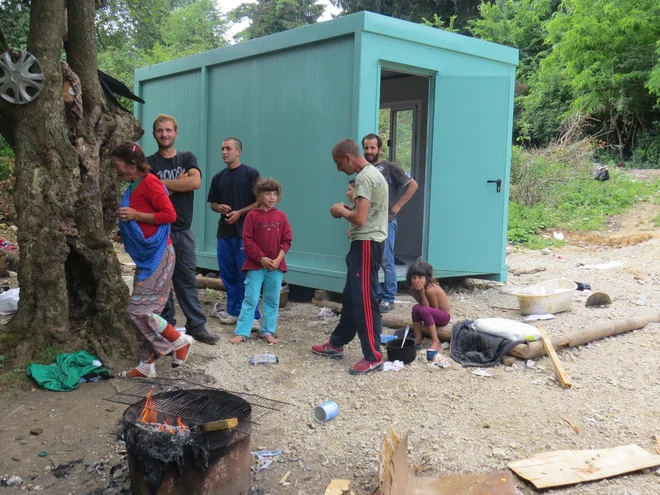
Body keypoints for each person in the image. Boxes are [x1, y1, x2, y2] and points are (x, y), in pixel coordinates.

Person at [111, 142, 192, 378]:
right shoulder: (134, 185)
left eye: (118, 166)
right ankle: (146, 364)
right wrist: (126, 230)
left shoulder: (150, 183)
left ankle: (178, 341)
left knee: (138, 311)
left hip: (159, 256)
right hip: (147, 258)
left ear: (132, 164)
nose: (116, 171)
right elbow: (142, 219)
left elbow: (169, 215)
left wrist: (136, 215)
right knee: (143, 311)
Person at [312, 139, 389, 375]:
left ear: (348, 157)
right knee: (352, 296)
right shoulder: (371, 174)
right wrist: (350, 213)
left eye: (338, 163)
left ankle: (373, 356)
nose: (338, 169)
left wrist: (342, 211)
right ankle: (336, 343)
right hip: (363, 242)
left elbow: (360, 219)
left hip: (367, 244)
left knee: (365, 299)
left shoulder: (365, 177)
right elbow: (366, 214)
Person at [147, 114, 219, 345]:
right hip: (159, 232)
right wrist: (177, 183)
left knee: (186, 280)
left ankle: (196, 326)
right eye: (160, 130)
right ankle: (166, 328)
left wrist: (163, 184)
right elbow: (149, 198)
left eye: (169, 130)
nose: (164, 134)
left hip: (183, 232)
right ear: (154, 134)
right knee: (162, 282)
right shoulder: (149, 164)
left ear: (176, 133)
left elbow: (195, 183)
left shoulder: (187, 158)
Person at [229, 178, 292, 345]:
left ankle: (267, 330)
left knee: (273, 299)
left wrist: (278, 259)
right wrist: (261, 258)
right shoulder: (252, 216)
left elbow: (287, 240)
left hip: (276, 267)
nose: (271, 197)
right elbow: (247, 241)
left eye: (274, 194)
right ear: (259, 195)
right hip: (256, 265)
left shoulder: (281, 216)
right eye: (267, 194)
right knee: (251, 298)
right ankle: (242, 332)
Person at [207, 137, 261, 329]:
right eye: (222, 148)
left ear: (238, 151)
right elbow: (212, 203)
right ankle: (234, 311)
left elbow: (260, 201)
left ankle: (253, 316)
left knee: (245, 275)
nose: (224, 152)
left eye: (228, 148)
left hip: (245, 233)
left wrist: (240, 213)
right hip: (224, 233)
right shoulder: (218, 177)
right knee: (228, 274)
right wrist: (219, 207)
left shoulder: (250, 174)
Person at [362, 133, 419, 313]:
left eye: (372, 148)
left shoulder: (390, 167)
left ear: (380, 149)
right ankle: (376, 294)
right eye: (366, 147)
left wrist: (397, 206)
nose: (369, 151)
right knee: (371, 260)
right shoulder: (363, 169)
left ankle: (388, 298)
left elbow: (413, 185)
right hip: (368, 222)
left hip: (386, 221)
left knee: (386, 260)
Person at [407, 261, 451, 351]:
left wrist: (422, 293)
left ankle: (435, 341)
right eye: (413, 277)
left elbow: (431, 309)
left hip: (443, 317)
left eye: (420, 277)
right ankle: (418, 338)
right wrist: (419, 292)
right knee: (415, 308)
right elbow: (422, 305)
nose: (416, 280)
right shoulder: (413, 289)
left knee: (424, 310)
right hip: (430, 314)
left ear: (427, 278)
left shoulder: (430, 290)